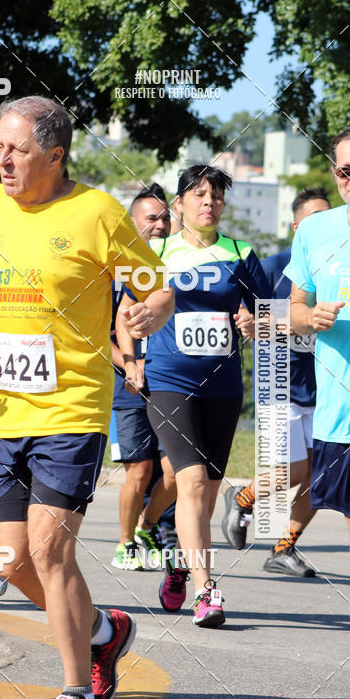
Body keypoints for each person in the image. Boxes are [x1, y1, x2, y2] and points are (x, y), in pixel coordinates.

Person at [0, 95, 174, 699]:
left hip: (73, 408)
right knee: (12, 561)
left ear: (55, 155)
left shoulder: (97, 213)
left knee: (48, 549)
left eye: (17, 149)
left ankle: (79, 697)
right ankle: (102, 632)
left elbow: (156, 287)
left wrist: (148, 313)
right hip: (5, 411)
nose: (3, 159)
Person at [117, 164, 271, 626]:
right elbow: (126, 311)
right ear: (179, 204)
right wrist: (131, 362)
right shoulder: (157, 251)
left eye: (217, 196)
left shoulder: (240, 253)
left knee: (206, 492)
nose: (209, 203)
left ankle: (181, 563)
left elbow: (270, 315)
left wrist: (255, 323)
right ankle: (207, 591)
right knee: (192, 481)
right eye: (200, 195)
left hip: (223, 386)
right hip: (168, 381)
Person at [222, 187, 331, 576]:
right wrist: (258, 322)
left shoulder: (337, 269)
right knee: (293, 471)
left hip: (324, 388)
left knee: (322, 475)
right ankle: (243, 497)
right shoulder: (272, 269)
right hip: (279, 385)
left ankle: (284, 548)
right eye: (314, 219)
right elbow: (248, 318)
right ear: (296, 227)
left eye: (327, 218)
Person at [284, 125, 350, 603]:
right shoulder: (315, 231)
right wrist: (310, 317)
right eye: (345, 170)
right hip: (343, 413)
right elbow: (294, 309)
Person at [110, 184, 172, 571]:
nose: (160, 225)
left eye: (166, 218)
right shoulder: (114, 270)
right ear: (133, 223)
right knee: (140, 469)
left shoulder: (177, 268)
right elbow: (97, 336)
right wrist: (130, 364)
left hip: (170, 382)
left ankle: (148, 525)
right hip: (128, 382)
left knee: (175, 469)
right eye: (152, 219)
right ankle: (125, 543)